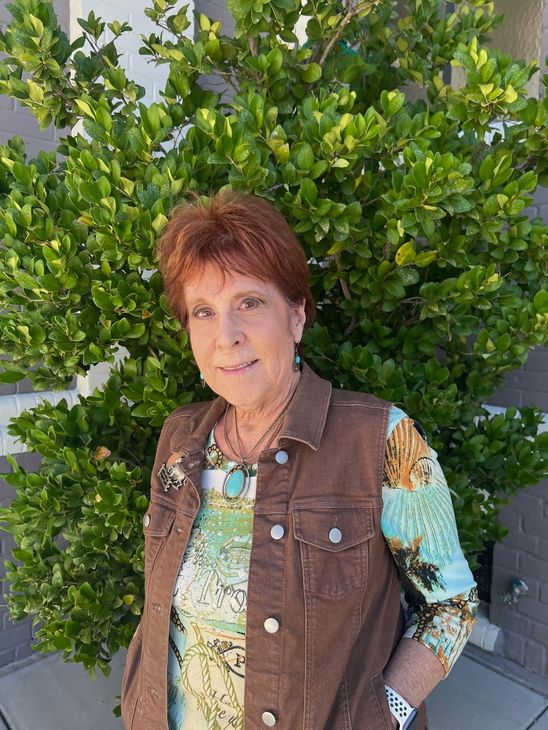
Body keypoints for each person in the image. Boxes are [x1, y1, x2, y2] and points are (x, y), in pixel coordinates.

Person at [121, 191, 478, 730]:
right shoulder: (180, 437)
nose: (227, 336)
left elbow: (451, 605)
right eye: (203, 311)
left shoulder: (381, 439)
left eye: (249, 302)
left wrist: (385, 714)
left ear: (296, 315)